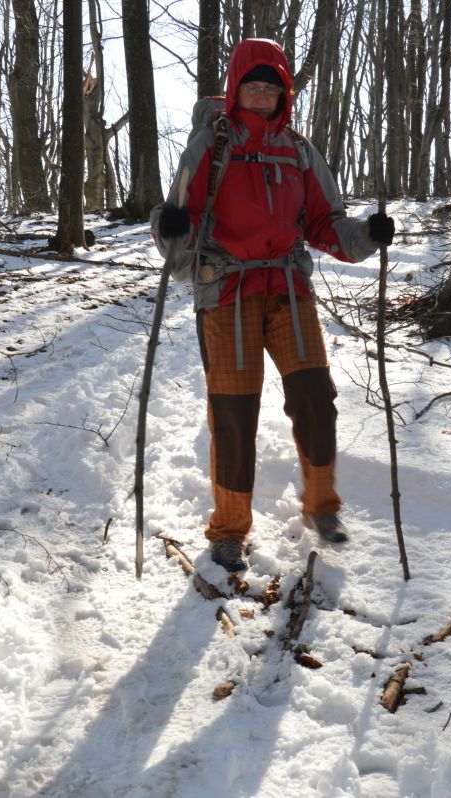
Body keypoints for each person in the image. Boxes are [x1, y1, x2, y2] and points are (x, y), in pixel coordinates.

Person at [150, 38, 395, 573]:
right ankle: (230, 529)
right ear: (235, 88)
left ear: (284, 92)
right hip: (227, 294)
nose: (262, 95)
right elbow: (179, 217)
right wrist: (169, 230)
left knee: (315, 397)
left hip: (288, 289)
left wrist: (366, 235)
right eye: (252, 85)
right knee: (234, 416)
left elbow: (325, 223)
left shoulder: (299, 151)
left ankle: (322, 505)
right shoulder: (209, 146)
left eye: (272, 87)